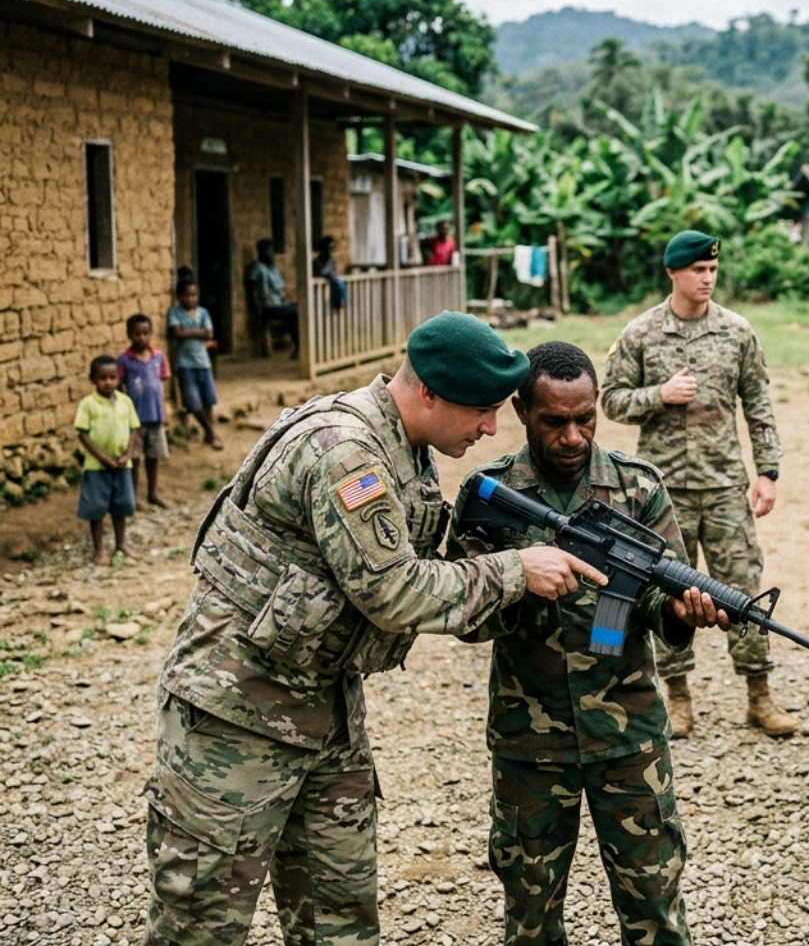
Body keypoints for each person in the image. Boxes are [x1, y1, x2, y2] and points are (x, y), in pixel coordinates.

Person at [143, 312, 606, 946]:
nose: (492, 428)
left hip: (324, 707)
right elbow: (393, 591)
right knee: (201, 921)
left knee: (341, 914)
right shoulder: (345, 452)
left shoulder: (406, 449)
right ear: (428, 394)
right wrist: (515, 571)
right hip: (237, 716)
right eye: (481, 410)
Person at [450, 340, 728, 946]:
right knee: (530, 913)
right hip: (530, 741)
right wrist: (522, 576)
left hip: (628, 736)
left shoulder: (637, 488)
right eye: (554, 421)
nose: (573, 437)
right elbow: (465, 619)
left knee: (655, 907)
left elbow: (661, 601)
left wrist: (685, 613)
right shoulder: (492, 494)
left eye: (586, 419)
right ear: (521, 410)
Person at [601, 230, 796, 739]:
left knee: (744, 589)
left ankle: (759, 696)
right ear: (673, 273)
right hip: (663, 491)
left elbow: (758, 404)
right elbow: (610, 399)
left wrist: (768, 472)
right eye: (697, 271)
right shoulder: (642, 333)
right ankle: (678, 699)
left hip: (726, 485)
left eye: (712, 270)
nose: (707, 279)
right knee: (669, 593)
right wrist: (658, 395)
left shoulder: (737, 331)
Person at [75, 355, 139, 565]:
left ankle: (121, 545)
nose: (108, 382)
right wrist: (103, 458)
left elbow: (133, 430)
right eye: (103, 378)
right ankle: (99, 550)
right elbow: (83, 434)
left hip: (122, 465)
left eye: (113, 377)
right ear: (92, 379)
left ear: (119, 378)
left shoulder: (125, 402)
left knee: (122, 506)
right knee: (96, 509)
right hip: (97, 467)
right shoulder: (88, 404)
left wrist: (127, 455)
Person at [118, 313, 171, 508]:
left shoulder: (158, 357)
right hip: (135, 420)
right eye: (137, 334)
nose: (142, 337)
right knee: (135, 458)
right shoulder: (124, 360)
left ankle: (153, 493)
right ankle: (133, 496)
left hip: (155, 416)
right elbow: (119, 388)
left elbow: (161, 387)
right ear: (129, 335)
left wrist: (165, 413)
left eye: (145, 333)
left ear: (151, 334)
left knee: (153, 456)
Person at [166, 279, 222, 450]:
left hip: (203, 362)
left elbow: (209, 333)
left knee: (208, 400)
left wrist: (188, 332)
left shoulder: (203, 312)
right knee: (192, 402)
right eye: (186, 295)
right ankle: (211, 431)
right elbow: (177, 333)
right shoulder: (175, 312)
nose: (190, 299)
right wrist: (198, 332)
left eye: (193, 295)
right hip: (185, 363)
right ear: (179, 296)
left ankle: (209, 434)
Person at [247, 238, 301, 354]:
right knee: (296, 312)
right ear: (260, 252)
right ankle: (298, 347)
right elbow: (251, 288)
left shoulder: (273, 268)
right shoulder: (257, 266)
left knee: (301, 308)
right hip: (268, 306)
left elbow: (280, 287)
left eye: (272, 251)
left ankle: (297, 343)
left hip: (280, 303)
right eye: (268, 251)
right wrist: (256, 306)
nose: (271, 254)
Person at [312, 234, 348, 312]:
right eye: (328, 249)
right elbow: (317, 273)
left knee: (340, 282)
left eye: (332, 249)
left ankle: (341, 303)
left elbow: (333, 272)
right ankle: (339, 303)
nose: (330, 251)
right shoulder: (316, 262)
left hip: (330, 289)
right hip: (318, 291)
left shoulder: (331, 261)